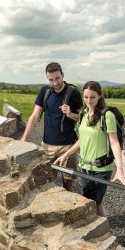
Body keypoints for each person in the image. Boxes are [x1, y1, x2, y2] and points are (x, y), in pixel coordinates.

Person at [54, 81, 125, 217]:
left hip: (101, 169)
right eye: (86, 97)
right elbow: (82, 140)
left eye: (93, 97)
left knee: (95, 202)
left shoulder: (107, 116)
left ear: (99, 96)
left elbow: (114, 143)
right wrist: (65, 155)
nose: (89, 100)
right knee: (91, 201)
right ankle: (101, 232)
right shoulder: (83, 114)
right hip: (84, 167)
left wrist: (120, 169)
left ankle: (102, 232)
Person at [20, 62, 82, 191]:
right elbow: (34, 116)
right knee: (46, 181)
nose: (55, 83)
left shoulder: (74, 93)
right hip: (47, 146)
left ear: (63, 75)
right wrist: (24, 139)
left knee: (68, 182)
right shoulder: (45, 91)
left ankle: (69, 208)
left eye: (57, 78)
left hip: (68, 146)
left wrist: (70, 114)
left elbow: (82, 118)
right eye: (51, 80)